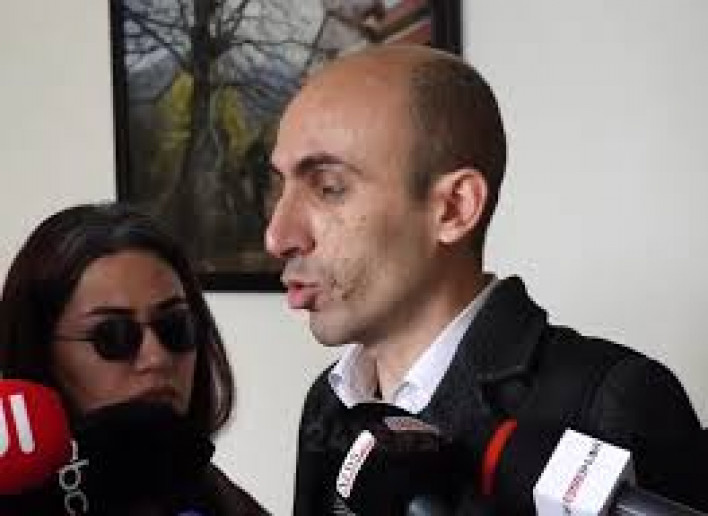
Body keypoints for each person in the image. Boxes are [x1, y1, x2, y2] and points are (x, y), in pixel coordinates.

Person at [264, 44, 703, 514]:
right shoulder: (328, 404)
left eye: (328, 188)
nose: (277, 236)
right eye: (279, 187)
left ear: (454, 208)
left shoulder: (614, 403)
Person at [0, 203, 267, 515]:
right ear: (42, 351)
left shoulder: (220, 498)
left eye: (175, 326)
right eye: (113, 336)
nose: (156, 357)